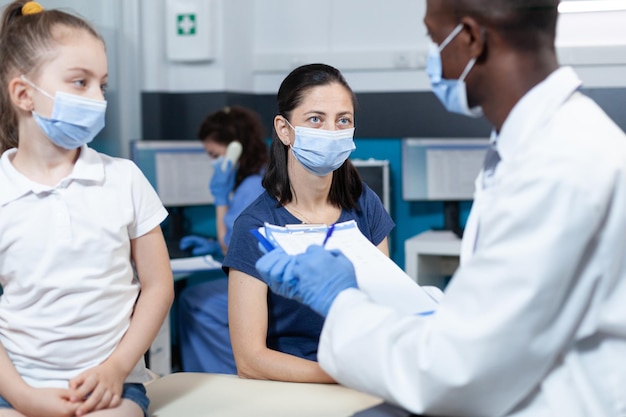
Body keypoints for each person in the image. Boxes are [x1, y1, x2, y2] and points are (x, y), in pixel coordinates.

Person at [256, 1, 626, 416]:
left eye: (435, 40)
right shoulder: (544, 142)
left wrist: (340, 301)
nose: (435, 60)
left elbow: (452, 372)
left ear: (470, 38)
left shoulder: (557, 164)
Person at [0, 2, 174, 417]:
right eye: (80, 83)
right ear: (24, 94)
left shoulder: (124, 179)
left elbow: (158, 286)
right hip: (16, 388)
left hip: (111, 390)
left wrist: (116, 368)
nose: (97, 98)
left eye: (103, 85)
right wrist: (22, 396)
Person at [223, 63, 394, 383]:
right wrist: (338, 376)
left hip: (364, 373)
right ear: (284, 129)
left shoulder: (364, 204)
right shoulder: (256, 225)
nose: (331, 132)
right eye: (315, 119)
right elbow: (250, 359)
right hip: (297, 384)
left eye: (343, 120)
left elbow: (383, 305)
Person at [177, 106, 268, 374]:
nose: (213, 163)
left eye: (215, 155)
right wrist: (215, 245)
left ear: (234, 150)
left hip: (266, 286)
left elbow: (232, 246)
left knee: (193, 302)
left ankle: (227, 375)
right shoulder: (263, 174)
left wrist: (220, 197)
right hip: (267, 277)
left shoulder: (251, 186)